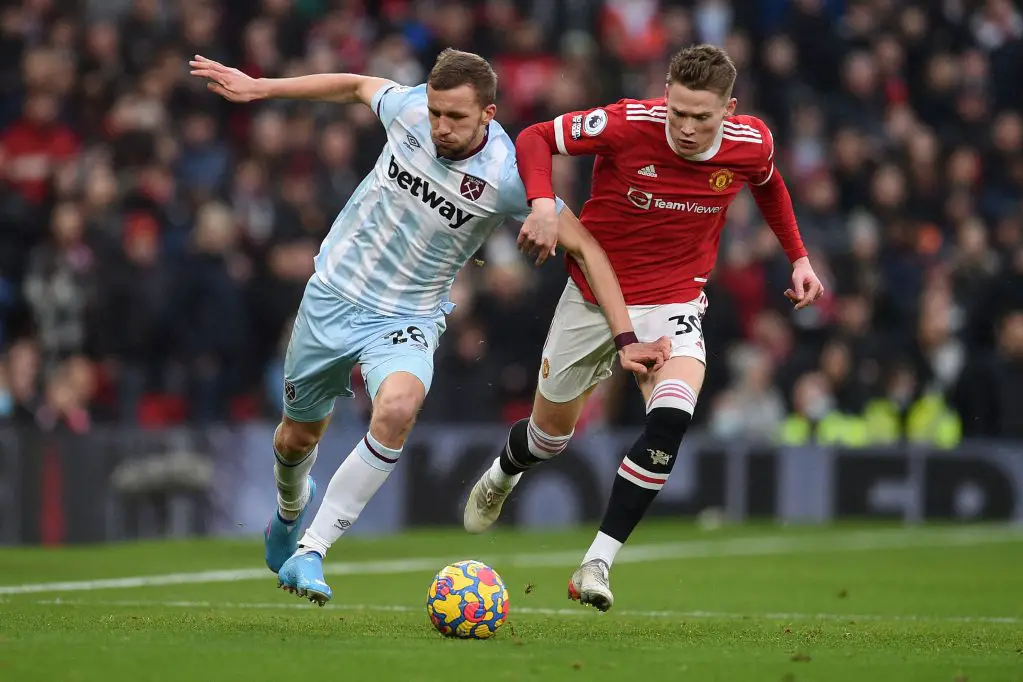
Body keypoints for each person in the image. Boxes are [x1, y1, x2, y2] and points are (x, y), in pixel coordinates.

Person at [189, 48, 670, 605]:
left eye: (456, 117)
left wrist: (626, 339)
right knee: (297, 437)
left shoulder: (509, 178)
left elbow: (586, 246)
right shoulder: (410, 108)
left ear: (488, 115)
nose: (441, 126)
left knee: (395, 409)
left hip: (409, 315)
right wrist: (260, 88)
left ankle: (311, 551)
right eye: (437, 112)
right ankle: (289, 512)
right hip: (332, 295)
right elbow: (355, 85)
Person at [463, 44, 825, 611]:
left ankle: (597, 562)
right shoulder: (629, 122)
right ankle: (506, 471)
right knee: (548, 439)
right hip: (591, 298)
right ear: (665, 94)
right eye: (676, 110)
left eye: (700, 117)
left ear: (730, 110)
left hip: (676, 302)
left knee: (672, 419)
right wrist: (540, 204)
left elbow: (769, 182)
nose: (684, 126)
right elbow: (535, 136)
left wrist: (799, 257)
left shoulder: (752, 143)